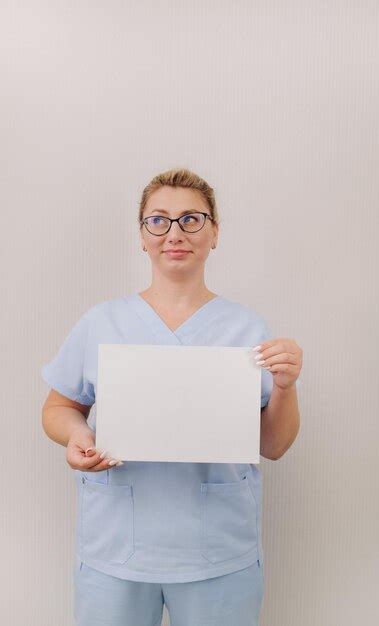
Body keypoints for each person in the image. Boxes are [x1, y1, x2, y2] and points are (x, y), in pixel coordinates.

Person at [41, 168, 302, 626]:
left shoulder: (247, 329)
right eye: (158, 220)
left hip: (217, 555)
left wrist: (285, 386)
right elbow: (59, 408)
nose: (174, 233)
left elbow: (273, 445)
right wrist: (77, 436)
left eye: (191, 219)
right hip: (115, 551)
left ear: (215, 232)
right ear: (142, 235)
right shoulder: (101, 322)